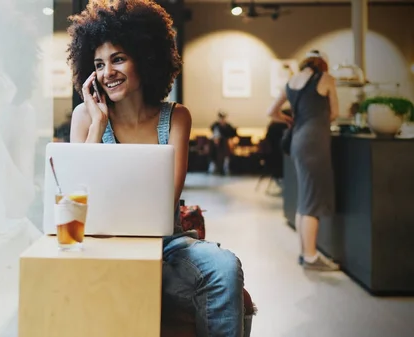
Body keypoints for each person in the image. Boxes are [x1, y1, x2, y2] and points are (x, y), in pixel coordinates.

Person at [67, 1, 247, 336]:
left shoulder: (176, 117)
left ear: (146, 58)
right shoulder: (85, 117)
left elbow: (167, 200)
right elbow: (77, 196)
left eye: (118, 58)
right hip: (102, 240)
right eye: (99, 64)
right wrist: (98, 122)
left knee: (225, 265)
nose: (108, 72)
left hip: (167, 242)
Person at [266, 50, 340, 271]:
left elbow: (271, 111)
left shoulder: (292, 82)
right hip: (315, 143)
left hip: (298, 140)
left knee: (305, 198)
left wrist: (290, 118)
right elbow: (335, 113)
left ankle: (305, 253)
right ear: (322, 65)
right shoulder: (325, 79)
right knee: (312, 200)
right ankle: (310, 257)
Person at [210, 111, 237, 175]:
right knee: (212, 149)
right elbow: (214, 134)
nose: (222, 119)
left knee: (226, 150)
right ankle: (214, 166)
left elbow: (233, 134)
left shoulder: (228, 126)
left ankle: (225, 167)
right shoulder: (215, 125)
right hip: (216, 146)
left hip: (225, 145)